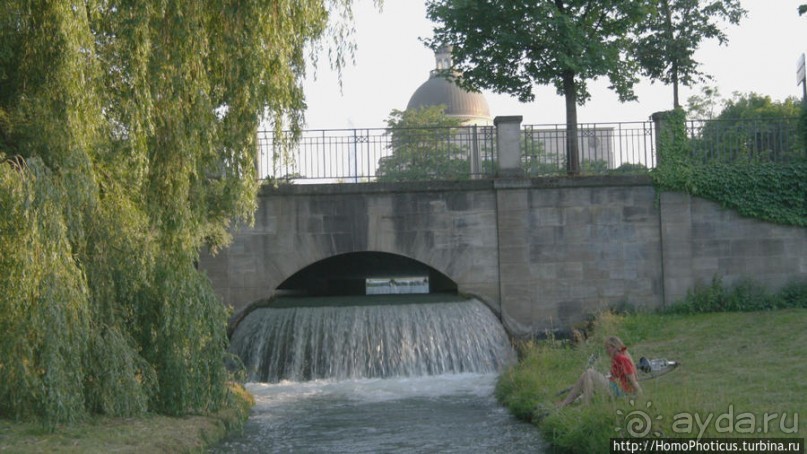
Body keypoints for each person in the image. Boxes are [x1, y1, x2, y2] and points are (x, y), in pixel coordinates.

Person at [557, 336, 642, 407]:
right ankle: (567, 403)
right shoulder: (616, 358)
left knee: (589, 372)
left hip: (620, 392)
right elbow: (615, 376)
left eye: (607, 348)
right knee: (585, 375)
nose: (606, 351)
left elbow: (633, 381)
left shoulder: (622, 359)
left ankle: (584, 404)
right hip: (614, 387)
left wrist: (639, 396)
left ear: (613, 347)